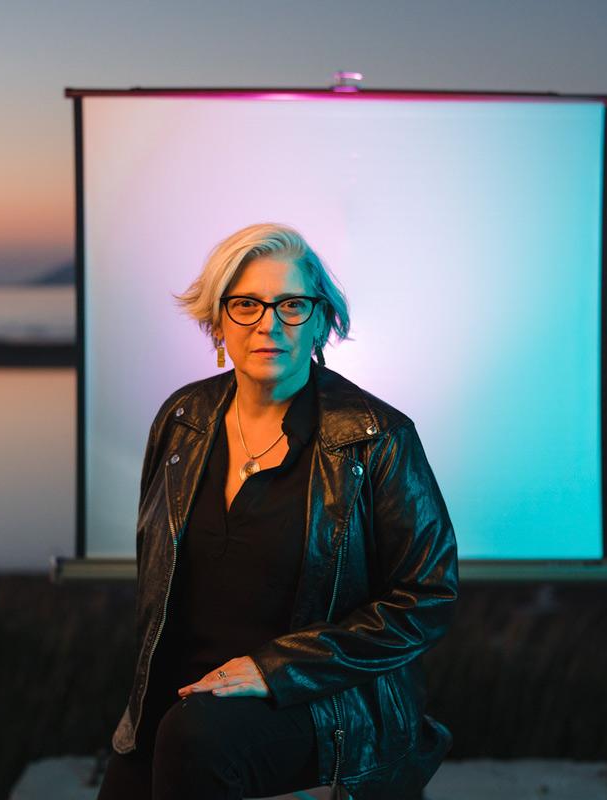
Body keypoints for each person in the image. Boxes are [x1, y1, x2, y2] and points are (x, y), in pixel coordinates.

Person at [97, 222, 459, 800]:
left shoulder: (377, 436)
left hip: (320, 699)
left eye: (291, 304)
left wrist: (276, 668)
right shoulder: (182, 418)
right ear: (218, 321)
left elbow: (427, 598)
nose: (268, 324)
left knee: (197, 739)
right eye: (246, 305)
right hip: (185, 694)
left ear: (320, 320)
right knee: (160, 750)